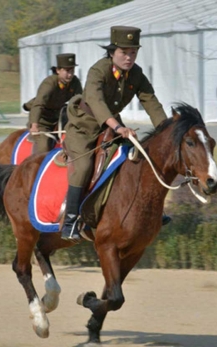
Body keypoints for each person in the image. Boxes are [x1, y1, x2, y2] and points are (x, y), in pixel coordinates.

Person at [61, 26, 170, 241]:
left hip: (111, 127)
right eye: (124, 52)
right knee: (83, 167)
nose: (129, 58)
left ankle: (151, 210)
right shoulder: (98, 70)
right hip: (84, 126)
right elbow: (97, 102)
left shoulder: (136, 74)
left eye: (133, 53)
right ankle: (70, 221)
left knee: (136, 159)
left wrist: (167, 131)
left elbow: (151, 101)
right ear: (112, 52)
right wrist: (118, 127)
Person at [24, 53, 83, 153]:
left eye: (72, 70)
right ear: (58, 70)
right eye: (67, 71)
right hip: (42, 120)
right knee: (44, 147)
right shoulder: (49, 83)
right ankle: (39, 166)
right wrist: (34, 125)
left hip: (59, 119)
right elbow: (39, 104)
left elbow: (80, 102)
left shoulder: (75, 82)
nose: (70, 74)